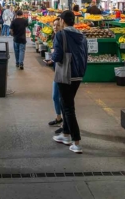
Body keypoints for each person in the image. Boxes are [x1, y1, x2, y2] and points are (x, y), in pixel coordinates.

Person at [46, 10, 88, 154]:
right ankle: (65, 134)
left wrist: (51, 58)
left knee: (69, 107)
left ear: (63, 21)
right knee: (65, 103)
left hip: (65, 74)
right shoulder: (82, 36)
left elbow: (57, 56)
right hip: (78, 74)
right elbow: (86, 54)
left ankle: (76, 142)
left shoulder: (60, 34)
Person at [48, 18, 63, 129]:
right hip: (58, 70)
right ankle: (59, 118)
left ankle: (64, 124)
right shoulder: (55, 37)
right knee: (55, 96)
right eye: (54, 25)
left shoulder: (62, 37)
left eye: (57, 25)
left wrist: (53, 58)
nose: (55, 27)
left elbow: (59, 55)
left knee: (59, 97)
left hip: (63, 71)